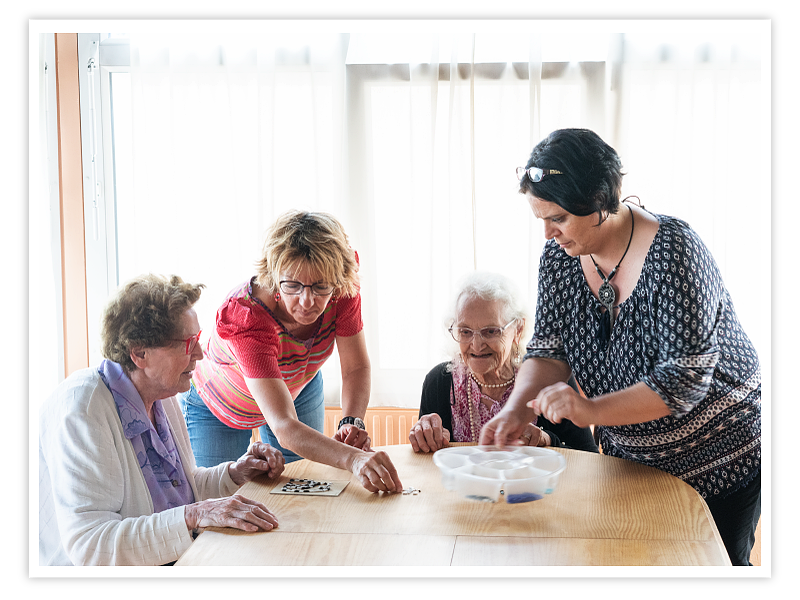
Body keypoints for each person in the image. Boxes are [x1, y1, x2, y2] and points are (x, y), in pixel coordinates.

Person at [479, 128, 761, 565]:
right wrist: (516, 408)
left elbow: (682, 382)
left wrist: (590, 411)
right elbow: (550, 348)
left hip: (719, 455)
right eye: (542, 220)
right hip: (634, 461)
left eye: (559, 219)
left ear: (598, 202)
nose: (549, 234)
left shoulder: (675, 252)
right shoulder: (561, 258)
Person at [39, 274, 283, 566]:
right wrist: (197, 515)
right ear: (139, 353)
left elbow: (181, 492)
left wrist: (234, 474)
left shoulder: (161, 393)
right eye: (188, 343)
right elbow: (90, 544)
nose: (200, 353)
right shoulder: (83, 408)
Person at [180, 210, 402, 493]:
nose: (307, 301)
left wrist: (351, 421)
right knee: (222, 502)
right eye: (293, 286)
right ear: (273, 278)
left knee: (303, 492)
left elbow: (356, 367)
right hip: (221, 404)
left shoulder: (341, 282)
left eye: (320, 287)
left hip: (299, 384)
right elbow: (285, 426)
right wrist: (353, 458)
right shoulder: (246, 317)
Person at [409, 271, 597, 453]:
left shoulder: (546, 376)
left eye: (490, 331)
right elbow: (429, 464)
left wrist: (546, 440)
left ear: (518, 329)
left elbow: (588, 459)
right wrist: (424, 436)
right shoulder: (439, 382)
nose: (476, 345)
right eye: (465, 331)